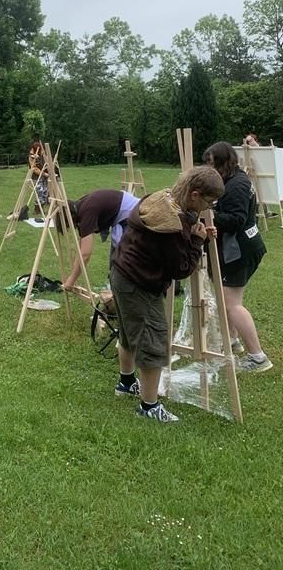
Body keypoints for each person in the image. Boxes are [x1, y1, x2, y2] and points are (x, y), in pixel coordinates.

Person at [110, 166, 224, 423]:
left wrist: (195, 231)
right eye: (209, 201)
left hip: (122, 272)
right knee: (153, 342)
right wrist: (197, 241)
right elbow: (180, 268)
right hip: (139, 282)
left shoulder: (164, 198)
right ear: (195, 194)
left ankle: (126, 383)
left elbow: (178, 235)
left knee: (129, 333)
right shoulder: (171, 226)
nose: (209, 207)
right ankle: (149, 406)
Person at [203, 141, 272, 372]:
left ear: (224, 162)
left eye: (212, 163)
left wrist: (208, 213)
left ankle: (258, 357)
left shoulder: (237, 185)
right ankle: (232, 341)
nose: (209, 168)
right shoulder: (231, 180)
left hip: (240, 251)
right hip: (237, 249)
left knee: (232, 304)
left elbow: (236, 220)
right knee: (225, 299)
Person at [61, 189, 139, 291]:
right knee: (116, 256)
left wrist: (71, 280)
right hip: (126, 211)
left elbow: (85, 254)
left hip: (132, 214)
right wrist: (73, 276)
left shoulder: (86, 214)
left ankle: (125, 289)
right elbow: (81, 249)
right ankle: (113, 287)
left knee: (123, 258)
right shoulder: (80, 206)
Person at [242, 133, 276, 218]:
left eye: (251, 140)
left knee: (263, 193)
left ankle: (267, 212)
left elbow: (264, 155)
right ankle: (256, 212)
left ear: (255, 140)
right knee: (254, 193)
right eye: (248, 141)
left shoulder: (259, 148)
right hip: (249, 173)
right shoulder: (245, 149)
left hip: (260, 174)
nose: (250, 142)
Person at [29, 141, 48, 214]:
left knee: (44, 192)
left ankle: (42, 209)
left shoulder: (42, 154)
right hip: (36, 177)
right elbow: (34, 168)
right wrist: (43, 173)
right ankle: (37, 210)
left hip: (44, 176)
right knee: (39, 192)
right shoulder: (31, 156)